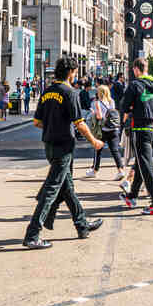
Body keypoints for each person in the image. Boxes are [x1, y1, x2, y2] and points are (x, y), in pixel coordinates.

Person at [23, 56, 105, 250]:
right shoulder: (70, 93)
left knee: (67, 188)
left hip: (49, 144)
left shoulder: (47, 92)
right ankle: (32, 234)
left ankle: (82, 224)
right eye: (75, 72)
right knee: (51, 190)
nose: (75, 75)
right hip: (64, 146)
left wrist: (52, 125)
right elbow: (80, 123)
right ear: (70, 73)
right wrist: (94, 141)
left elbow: (37, 122)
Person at [119, 59, 153, 214]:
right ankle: (132, 196)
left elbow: (124, 106)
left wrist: (132, 108)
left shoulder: (135, 85)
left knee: (146, 165)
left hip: (140, 128)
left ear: (136, 70)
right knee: (141, 162)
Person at [87, 83, 123, 179]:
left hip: (103, 129)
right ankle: (120, 170)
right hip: (114, 128)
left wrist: (93, 112)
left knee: (98, 149)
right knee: (115, 150)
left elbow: (99, 117)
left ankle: (94, 170)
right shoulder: (112, 102)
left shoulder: (97, 103)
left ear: (100, 93)